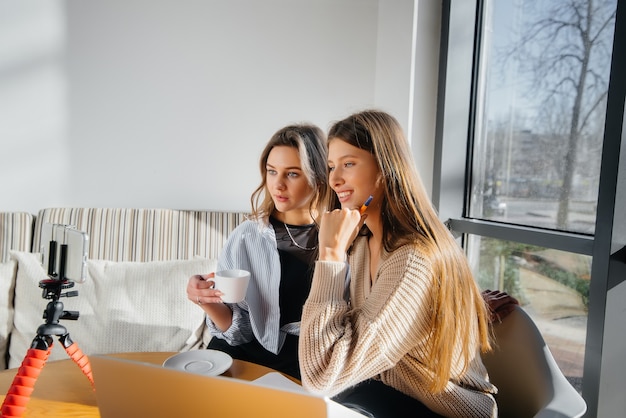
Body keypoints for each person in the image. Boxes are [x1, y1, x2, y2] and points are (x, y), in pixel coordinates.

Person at [298, 110, 498, 417]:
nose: (335, 179)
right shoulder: (364, 241)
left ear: (385, 166)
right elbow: (357, 339)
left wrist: (330, 255)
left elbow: (321, 374)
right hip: (388, 394)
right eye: (331, 166)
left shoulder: (413, 258)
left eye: (349, 164)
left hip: (443, 411)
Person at [187, 123, 329, 380]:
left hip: (306, 363)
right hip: (241, 354)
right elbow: (237, 332)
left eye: (293, 174)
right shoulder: (248, 235)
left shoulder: (340, 237)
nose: (278, 184)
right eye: (272, 171)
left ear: (319, 177)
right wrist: (207, 303)